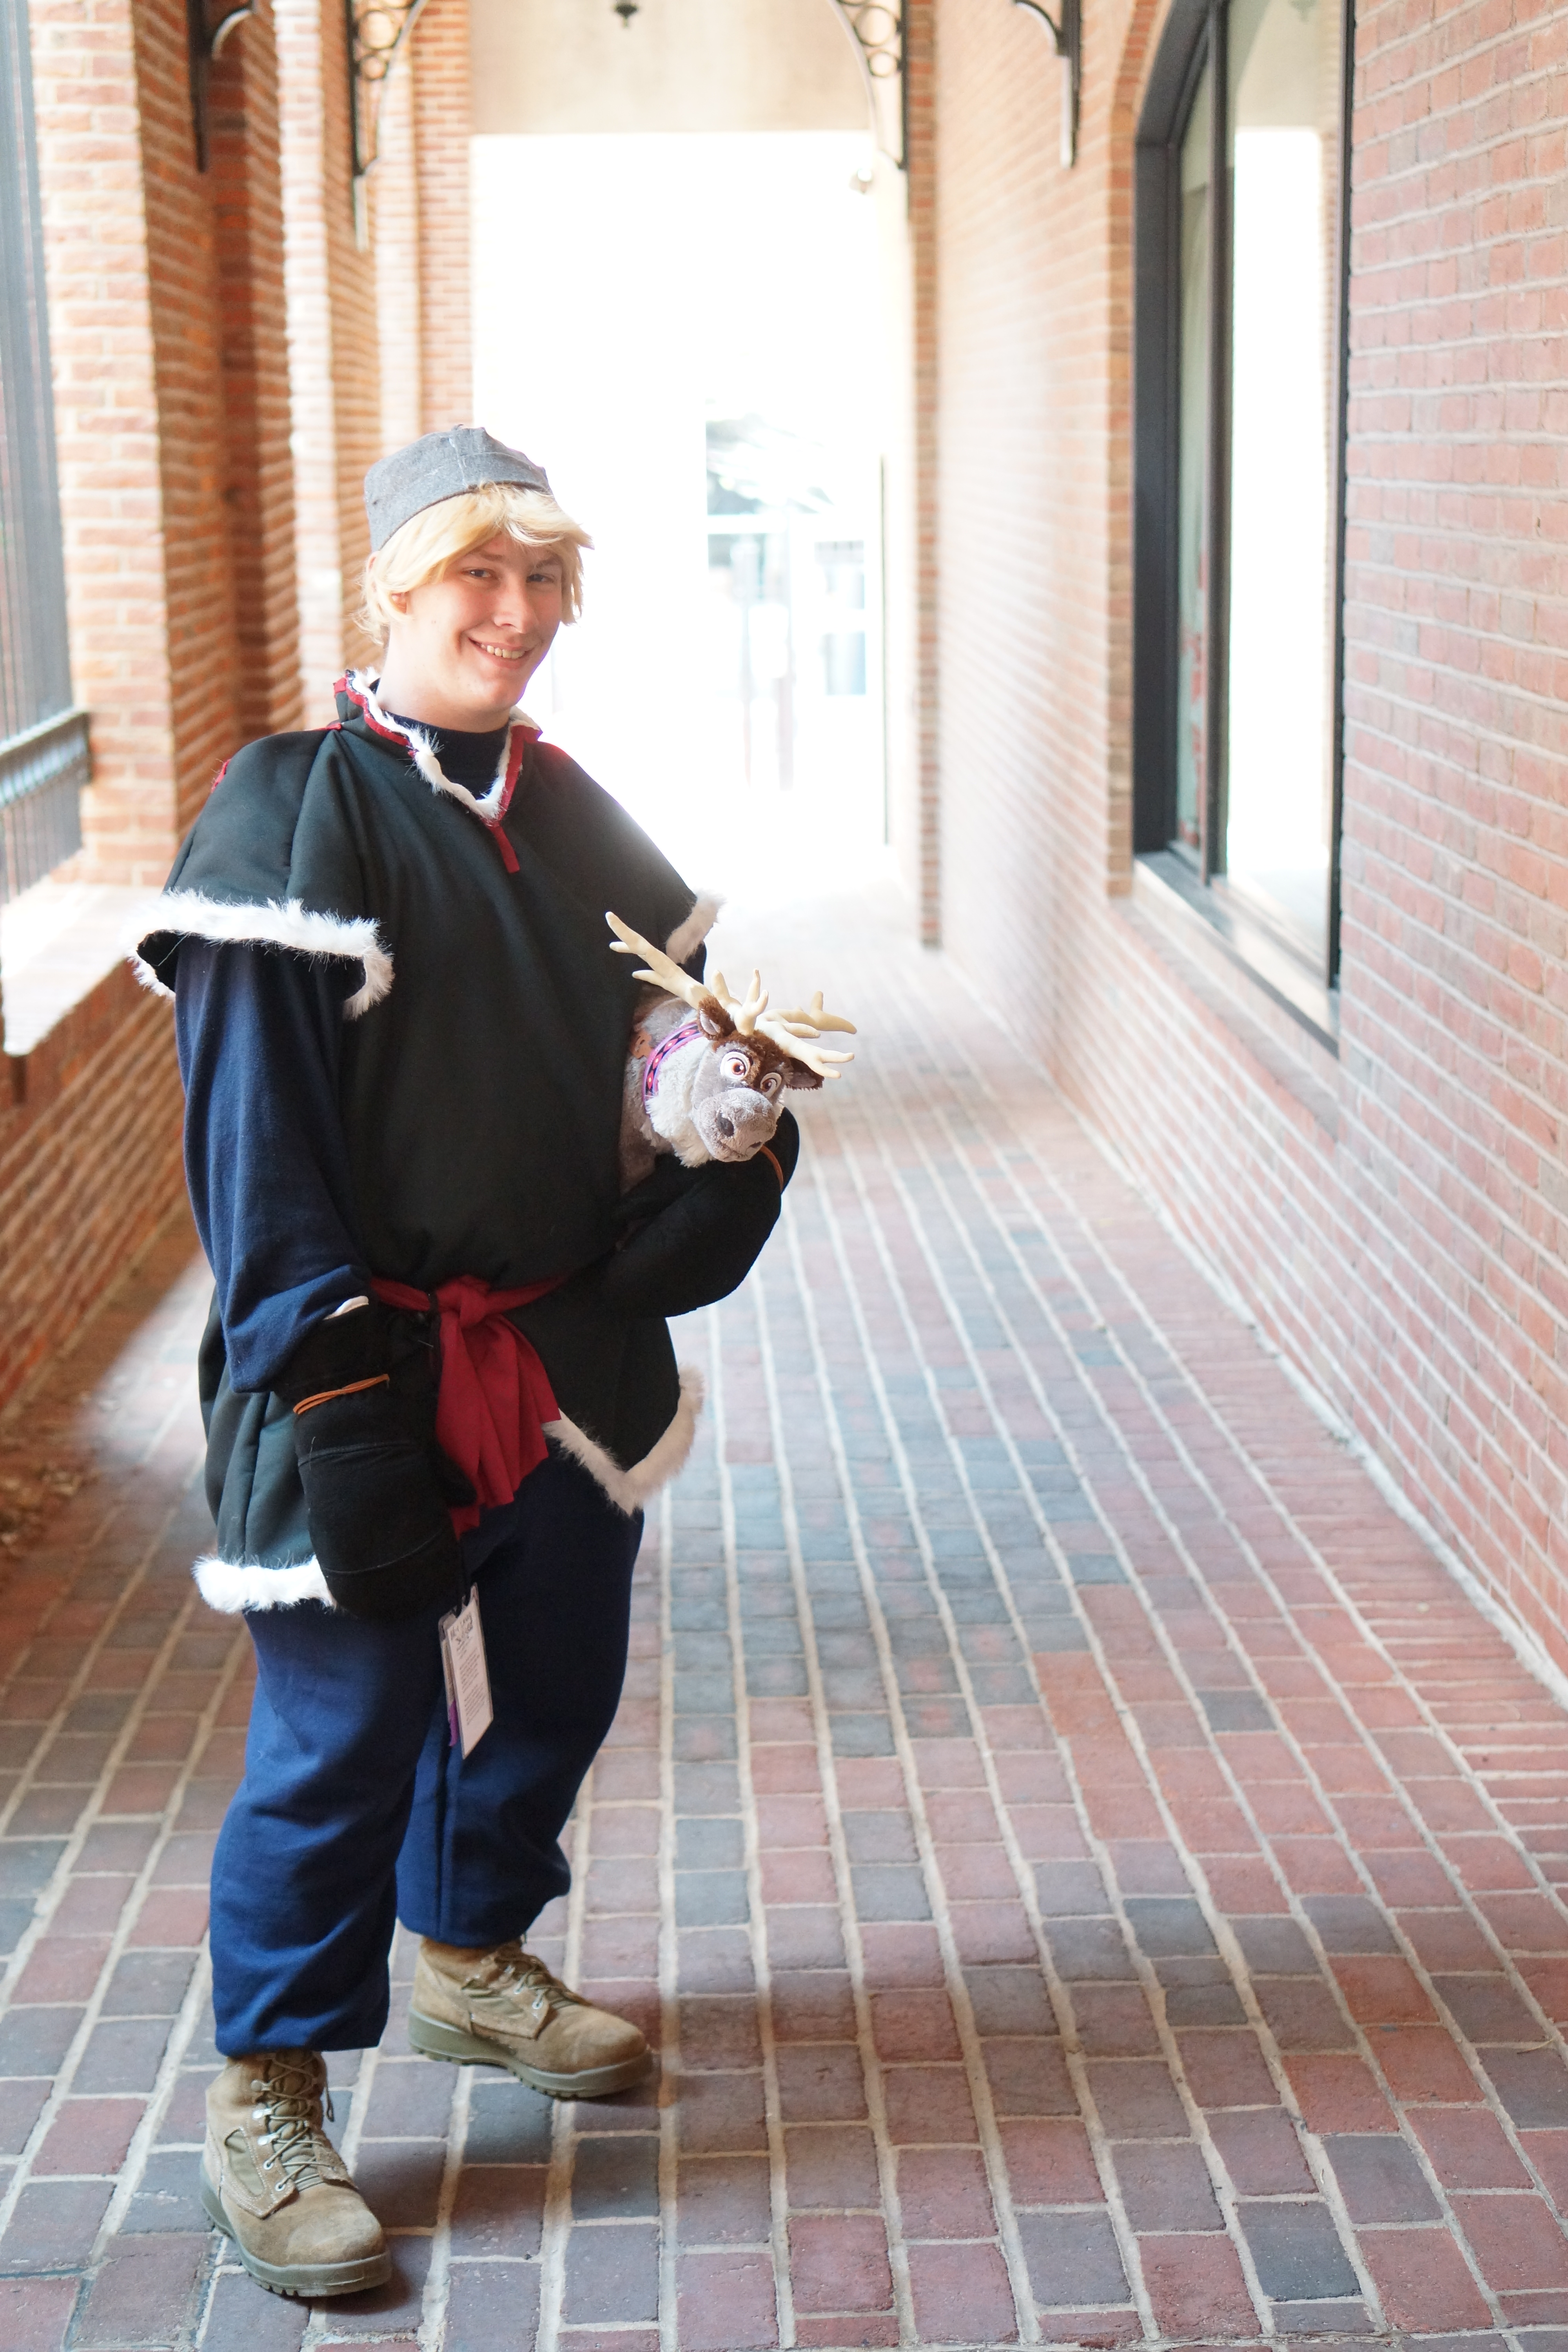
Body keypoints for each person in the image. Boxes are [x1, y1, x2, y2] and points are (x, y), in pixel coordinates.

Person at [134, 427, 797, 2301]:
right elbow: (255, 1145)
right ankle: (269, 2096)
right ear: (397, 590)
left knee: (559, 1689)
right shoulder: (295, 810)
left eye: (543, 579)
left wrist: (723, 1126)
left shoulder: (571, 812)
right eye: (477, 575)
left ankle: (473, 1959)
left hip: (565, 1352)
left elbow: (666, 1051)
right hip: (361, 1363)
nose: (515, 613)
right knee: (344, 1739)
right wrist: (335, 1395)